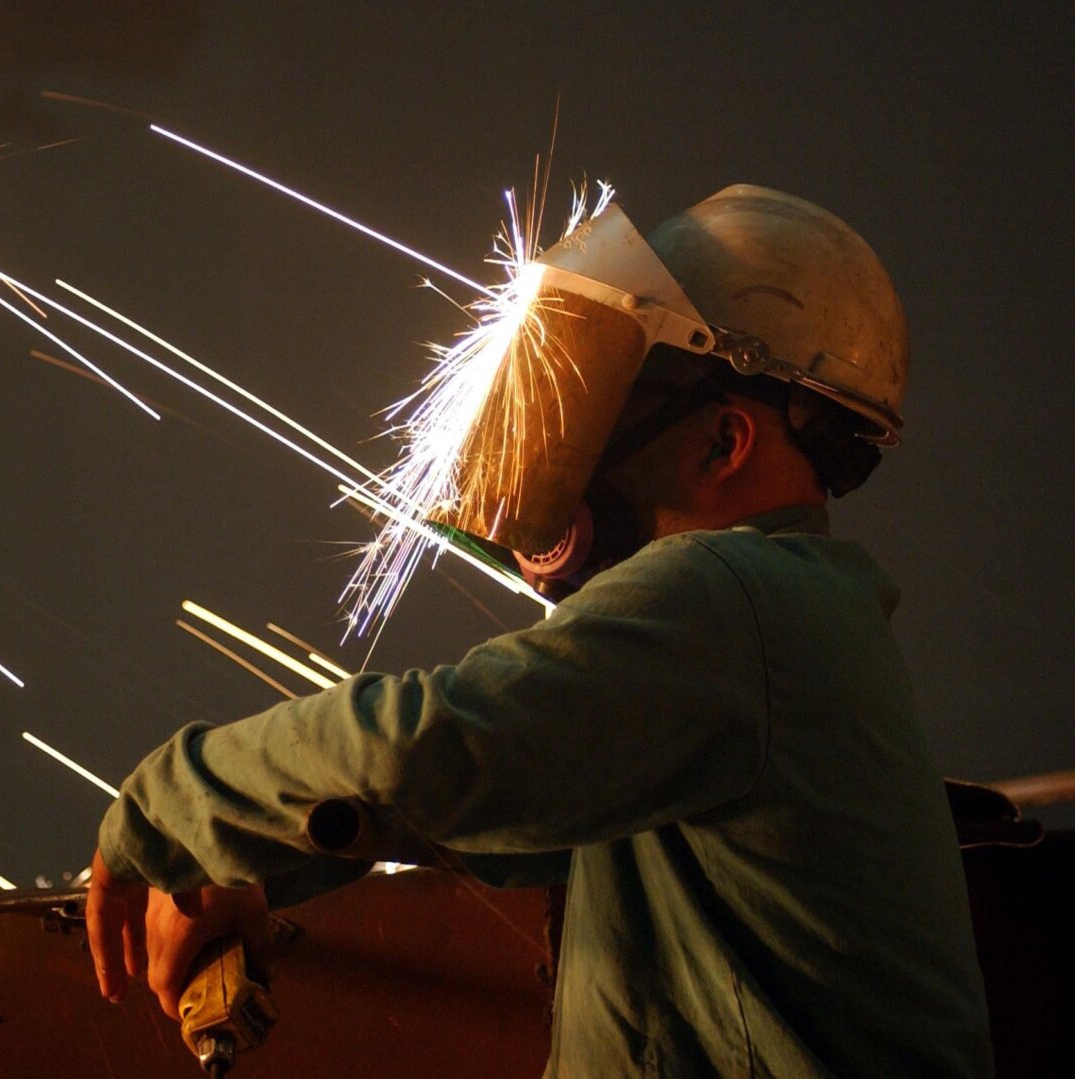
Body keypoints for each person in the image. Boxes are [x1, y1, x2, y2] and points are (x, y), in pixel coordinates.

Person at [86, 186, 994, 1076]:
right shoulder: (780, 628)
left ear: (723, 443)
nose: (579, 442)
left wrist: (168, 801)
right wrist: (256, 865)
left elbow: (434, 746)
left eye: (618, 403)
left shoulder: (729, 596)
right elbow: (480, 812)